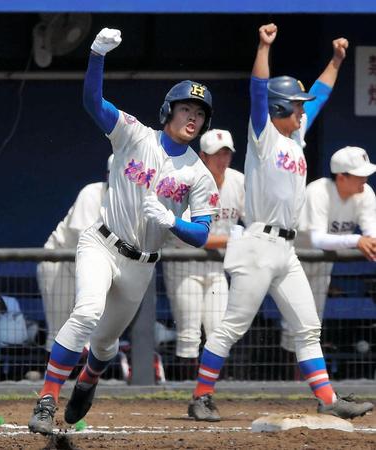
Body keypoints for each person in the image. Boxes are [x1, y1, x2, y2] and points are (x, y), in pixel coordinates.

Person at [28, 27, 220, 435]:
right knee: (86, 312)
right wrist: (96, 55)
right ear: (168, 110)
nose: (193, 117)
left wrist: (173, 222)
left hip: (142, 264)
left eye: (200, 113)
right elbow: (92, 102)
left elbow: (202, 234)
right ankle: (46, 400)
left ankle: (90, 378)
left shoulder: (200, 175)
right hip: (102, 242)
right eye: (186, 109)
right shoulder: (134, 133)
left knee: (104, 345)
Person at [188, 23, 373, 422]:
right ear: (278, 110)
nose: (302, 110)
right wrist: (263, 46)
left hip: (285, 249)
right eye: (295, 105)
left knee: (308, 326)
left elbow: (320, 94)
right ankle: (201, 395)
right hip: (256, 243)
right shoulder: (263, 135)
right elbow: (259, 88)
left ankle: (327, 398)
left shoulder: (296, 136)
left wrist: (336, 61)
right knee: (232, 327)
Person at [163, 129, 245, 379]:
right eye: (216, 154)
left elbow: (253, 222)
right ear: (203, 156)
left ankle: (208, 390)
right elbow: (195, 235)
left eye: (226, 153)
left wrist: (246, 237)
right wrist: (235, 239)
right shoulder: (189, 179)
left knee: (219, 330)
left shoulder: (238, 181)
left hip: (217, 266)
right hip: (183, 260)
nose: (222, 159)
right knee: (189, 333)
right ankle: (184, 390)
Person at [281, 146, 376, 353]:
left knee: (314, 323)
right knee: (293, 324)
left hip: (323, 263)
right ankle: (287, 380)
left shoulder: (365, 193)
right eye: (360, 175)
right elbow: (317, 239)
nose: (365, 179)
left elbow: (372, 234)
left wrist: (367, 241)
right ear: (342, 177)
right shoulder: (318, 191)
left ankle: (304, 381)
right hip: (296, 259)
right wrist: (357, 240)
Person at [37, 155, 113, 354]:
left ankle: (81, 382)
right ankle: (51, 383)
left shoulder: (131, 202)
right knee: (60, 330)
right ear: (108, 175)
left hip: (93, 269)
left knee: (89, 332)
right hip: (60, 263)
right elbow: (86, 241)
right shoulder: (92, 193)